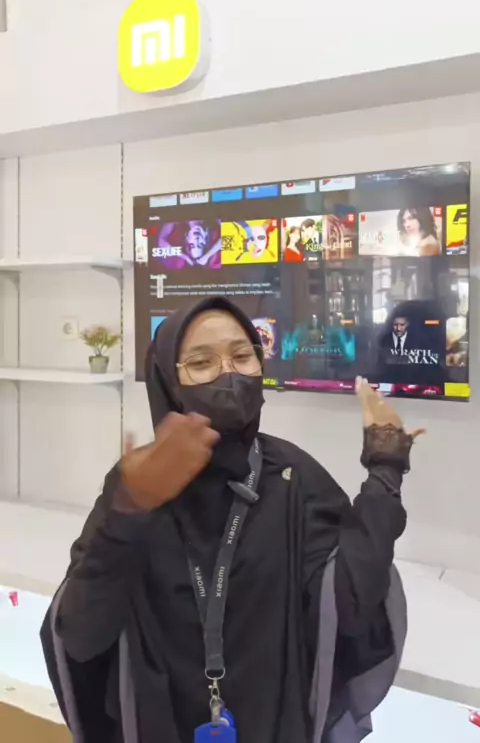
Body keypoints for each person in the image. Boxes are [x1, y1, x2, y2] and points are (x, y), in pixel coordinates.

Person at [41, 297, 423, 743]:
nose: (229, 374)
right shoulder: (141, 481)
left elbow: (353, 608)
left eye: (242, 356)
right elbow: (81, 635)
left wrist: (385, 469)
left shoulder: (292, 475)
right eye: (201, 362)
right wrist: (127, 512)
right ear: (168, 380)